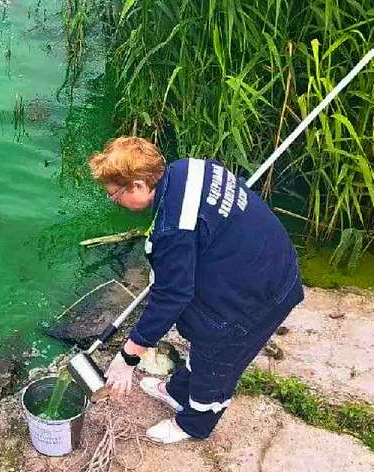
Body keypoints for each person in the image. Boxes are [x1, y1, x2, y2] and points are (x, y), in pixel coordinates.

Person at [89, 137, 303, 444]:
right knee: (202, 340)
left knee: (217, 352)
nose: (114, 202)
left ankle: (194, 423)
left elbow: (171, 296)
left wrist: (128, 356)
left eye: (114, 195)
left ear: (137, 185)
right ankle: (178, 391)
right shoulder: (185, 168)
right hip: (259, 257)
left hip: (263, 291)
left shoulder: (174, 228)